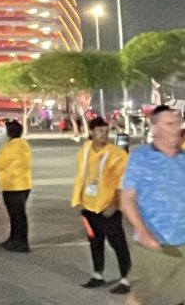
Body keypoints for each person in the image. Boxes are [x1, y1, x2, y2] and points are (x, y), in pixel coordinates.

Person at [119, 104, 185, 305]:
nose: (177, 128)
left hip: (183, 242)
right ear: (155, 128)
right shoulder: (141, 157)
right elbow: (126, 199)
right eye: (170, 124)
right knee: (142, 296)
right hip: (155, 244)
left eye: (178, 123)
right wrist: (143, 231)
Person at [71, 115, 130, 293]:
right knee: (95, 242)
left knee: (118, 243)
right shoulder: (85, 149)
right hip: (89, 207)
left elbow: (123, 181)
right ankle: (98, 274)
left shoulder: (117, 154)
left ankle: (126, 278)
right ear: (91, 132)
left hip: (108, 207)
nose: (104, 135)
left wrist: (114, 204)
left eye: (106, 131)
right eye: (100, 131)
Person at [0, 119, 32, 252]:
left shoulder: (10, 147)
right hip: (23, 184)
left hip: (13, 186)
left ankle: (20, 242)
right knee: (18, 215)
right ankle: (15, 239)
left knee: (17, 216)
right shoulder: (24, 144)